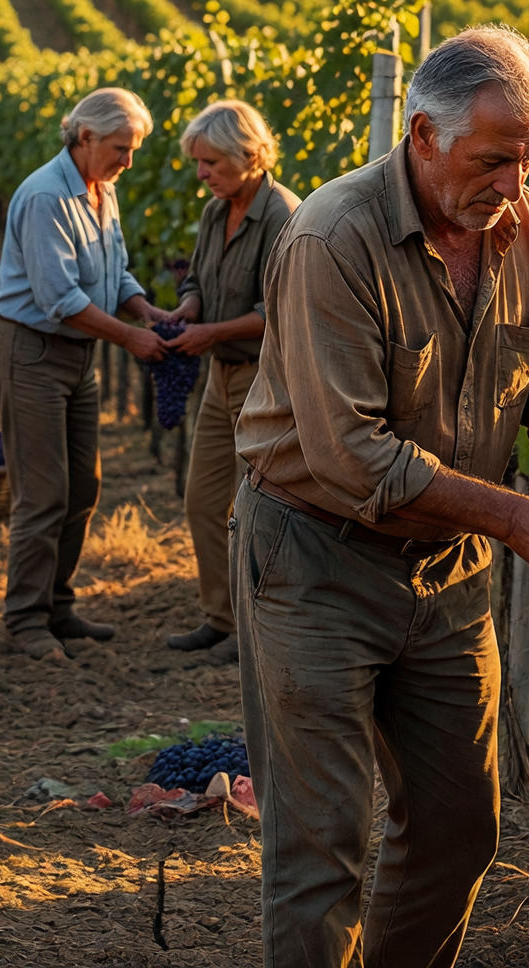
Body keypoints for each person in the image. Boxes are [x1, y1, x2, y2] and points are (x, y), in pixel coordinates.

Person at [232, 27, 529, 968]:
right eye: (493, 158)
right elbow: (352, 458)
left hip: (448, 567)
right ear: (423, 137)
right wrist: (517, 517)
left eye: (527, 159)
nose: (513, 182)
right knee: (321, 854)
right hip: (315, 559)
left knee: (460, 829)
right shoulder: (331, 238)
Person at [0, 86, 172, 663]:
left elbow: (114, 272)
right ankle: (25, 620)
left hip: (76, 355)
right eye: (121, 148)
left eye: (134, 149)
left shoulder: (102, 191)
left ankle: (57, 605)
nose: (128, 161)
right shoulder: (46, 196)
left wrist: (147, 311)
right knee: (42, 494)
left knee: (82, 488)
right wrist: (130, 338)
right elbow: (58, 298)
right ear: (85, 137)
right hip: (31, 352)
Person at [162, 99, 298, 664]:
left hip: (265, 382)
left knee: (255, 512)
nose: (202, 175)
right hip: (221, 378)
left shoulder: (284, 215)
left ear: (248, 155)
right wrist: (190, 307)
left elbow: (280, 309)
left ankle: (259, 628)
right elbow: (196, 276)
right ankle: (221, 618)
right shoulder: (216, 211)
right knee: (203, 499)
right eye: (197, 164)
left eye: (211, 163)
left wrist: (211, 332)